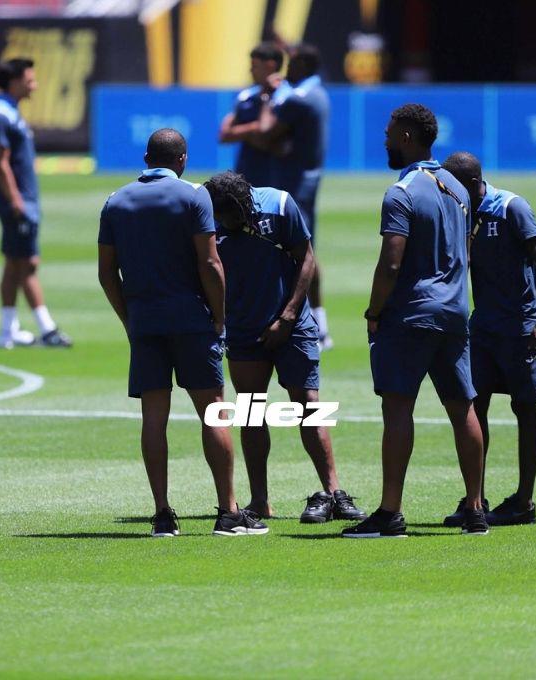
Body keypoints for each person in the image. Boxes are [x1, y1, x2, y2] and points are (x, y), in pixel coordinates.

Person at [97, 129, 268, 538]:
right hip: (192, 320)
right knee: (214, 415)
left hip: (146, 322)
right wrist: (220, 317)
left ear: (145, 157)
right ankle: (228, 513)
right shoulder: (194, 197)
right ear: (182, 160)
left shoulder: (116, 200)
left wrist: (128, 319)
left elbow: (107, 273)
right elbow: (210, 263)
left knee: (153, 419)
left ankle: (161, 515)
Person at [342, 104, 489, 538]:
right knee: (462, 409)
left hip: (411, 313)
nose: (385, 139)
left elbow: (391, 261)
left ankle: (390, 512)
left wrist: (373, 312)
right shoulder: (459, 190)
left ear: (406, 136)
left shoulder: (401, 192)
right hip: (454, 313)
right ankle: (476, 509)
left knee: (398, 408)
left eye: (389, 132)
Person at [203, 171, 367, 524]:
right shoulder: (208, 216)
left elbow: (306, 257)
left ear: (244, 205)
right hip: (245, 331)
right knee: (250, 411)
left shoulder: (279, 204)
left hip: (293, 327)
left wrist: (289, 315)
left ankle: (335, 492)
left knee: (310, 406)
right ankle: (259, 501)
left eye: (229, 216)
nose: (224, 223)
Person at [441, 151, 536, 526]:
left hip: (522, 326)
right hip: (482, 326)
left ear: (473, 184)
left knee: (525, 407)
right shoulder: (461, 211)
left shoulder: (511, 207)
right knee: (475, 408)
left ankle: (524, 501)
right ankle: (475, 499)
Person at [229, 44, 334, 351]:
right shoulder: (317, 93)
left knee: (299, 252)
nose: (286, 70)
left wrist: (266, 100)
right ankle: (318, 324)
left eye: (292, 64)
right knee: (301, 250)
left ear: (302, 65)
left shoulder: (299, 99)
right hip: (303, 182)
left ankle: (312, 325)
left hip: (295, 185)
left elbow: (264, 131)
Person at [0, 57, 71, 350]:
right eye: (30, 79)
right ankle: (46, 330)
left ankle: (7, 331)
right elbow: (0, 163)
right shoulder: (1, 114)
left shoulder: (9, 112)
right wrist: (16, 201)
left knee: (14, 263)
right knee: (28, 263)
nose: (34, 84)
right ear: (15, 81)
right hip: (19, 202)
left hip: (24, 199)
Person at [218, 42, 290, 188]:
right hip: (245, 177)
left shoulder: (288, 97)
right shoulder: (246, 96)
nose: (251, 70)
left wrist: (245, 133)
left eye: (255, 66)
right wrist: (253, 129)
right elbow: (224, 134)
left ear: (270, 65)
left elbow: (274, 142)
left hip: (277, 178)